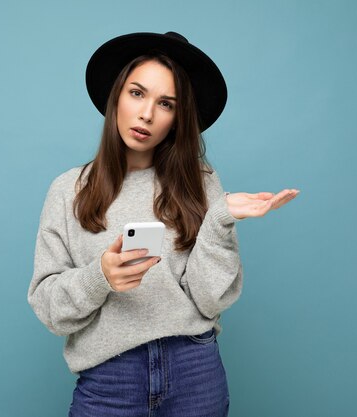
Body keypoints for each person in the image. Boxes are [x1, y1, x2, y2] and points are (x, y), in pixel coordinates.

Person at [28, 31, 299, 417]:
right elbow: (49, 308)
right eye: (137, 93)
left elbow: (211, 299)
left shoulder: (201, 183)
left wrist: (219, 219)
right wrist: (99, 276)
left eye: (166, 103)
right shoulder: (67, 190)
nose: (147, 114)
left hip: (194, 371)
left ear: (177, 118)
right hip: (109, 378)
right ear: (116, 96)